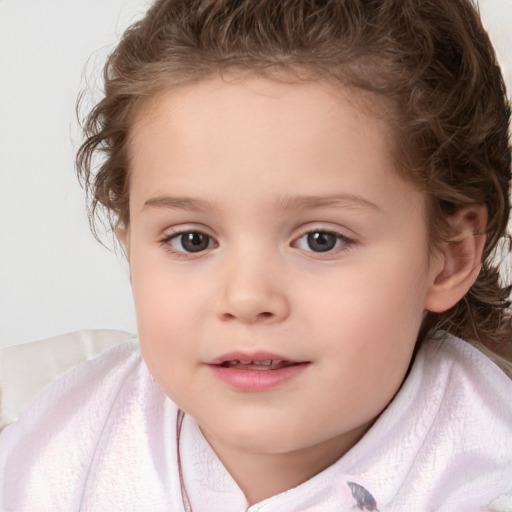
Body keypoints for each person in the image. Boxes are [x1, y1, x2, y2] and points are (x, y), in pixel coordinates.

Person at [1, 0, 511, 510]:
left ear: (450, 257)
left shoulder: (488, 480)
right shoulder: (44, 438)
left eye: (320, 239)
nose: (246, 298)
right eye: (192, 239)